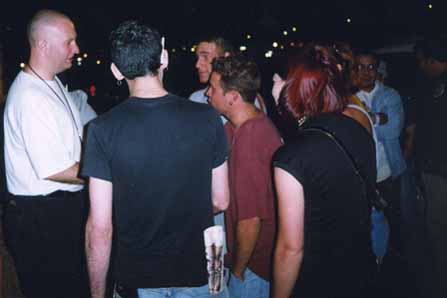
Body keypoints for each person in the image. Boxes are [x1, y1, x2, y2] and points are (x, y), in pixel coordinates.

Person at [81, 21, 230, 298]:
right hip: (201, 271)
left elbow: (100, 229)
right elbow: (221, 200)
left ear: (115, 70)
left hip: (139, 277)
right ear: (164, 58)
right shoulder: (208, 118)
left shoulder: (101, 130)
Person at [272, 47, 375, 298]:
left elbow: (290, 249)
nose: (274, 82)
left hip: (318, 281)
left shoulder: (291, 156)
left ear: (295, 88)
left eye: (281, 79)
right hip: (361, 270)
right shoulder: (358, 130)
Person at [2, 9, 88, 298]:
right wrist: (106, 174)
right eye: (69, 42)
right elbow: (56, 169)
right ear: (42, 45)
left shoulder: (50, 83)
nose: (76, 49)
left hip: (57, 212)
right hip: (43, 219)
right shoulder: (30, 97)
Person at [206, 54, 281, 298]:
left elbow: (251, 221)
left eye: (213, 88)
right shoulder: (239, 126)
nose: (207, 93)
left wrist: (237, 271)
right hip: (249, 262)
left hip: (253, 268)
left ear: (233, 97)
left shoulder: (250, 140)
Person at [354, 51, 406, 256]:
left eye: (371, 67)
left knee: (394, 224)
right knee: (366, 228)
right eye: (360, 66)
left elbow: (393, 131)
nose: (366, 72)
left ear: (377, 70)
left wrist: (368, 119)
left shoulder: (390, 95)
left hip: (387, 172)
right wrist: (379, 119)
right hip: (361, 175)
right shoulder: (348, 99)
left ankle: (396, 269)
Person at [412, 37, 447, 297]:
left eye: (422, 61)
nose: (420, 66)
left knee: (437, 226)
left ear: (431, 60)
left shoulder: (438, 87)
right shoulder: (432, 85)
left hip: (439, 170)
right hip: (436, 169)